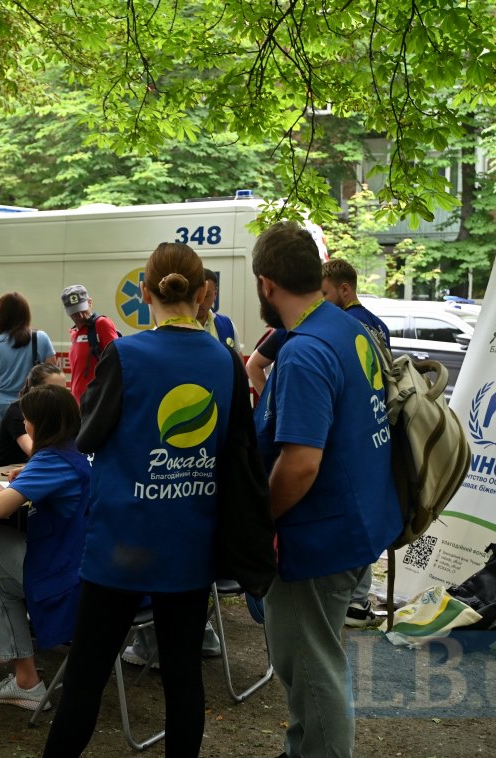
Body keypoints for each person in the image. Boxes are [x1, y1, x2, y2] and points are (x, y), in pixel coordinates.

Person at [43, 242, 252, 757]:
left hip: (121, 545)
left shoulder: (125, 354)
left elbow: (86, 435)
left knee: (87, 677)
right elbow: (237, 453)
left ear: (144, 292)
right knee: (183, 678)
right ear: (205, 294)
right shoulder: (226, 361)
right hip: (190, 544)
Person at [253, 221, 401, 758]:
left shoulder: (304, 352)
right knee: (321, 660)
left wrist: (259, 520)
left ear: (267, 286)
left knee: (312, 670)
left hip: (317, 543)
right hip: (357, 525)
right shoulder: (348, 329)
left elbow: (300, 466)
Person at [0, 383, 89, 711]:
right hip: (96, 568)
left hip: (67, 578)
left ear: (39, 423)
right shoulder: (82, 450)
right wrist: (28, 474)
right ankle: (15, 669)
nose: (23, 425)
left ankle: (18, 671)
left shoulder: (50, 460)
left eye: (26, 419)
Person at [321, 257, 391, 628]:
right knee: (366, 514)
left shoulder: (343, 325)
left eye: (326, 292)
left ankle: (350, 601)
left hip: (351, 429)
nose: (322, 299)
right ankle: (358, 600)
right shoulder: (377, 325)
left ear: (344, 289)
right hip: (376, 425)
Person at [0, 292, 55, 446]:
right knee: (28, 456)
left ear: (0, 315)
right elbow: (51, 378)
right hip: (29, 409)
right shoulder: (41, 338)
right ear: (26, 314)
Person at [0, 362, 67, 469]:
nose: (61, 397)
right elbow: (33, 450)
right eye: (53, 391)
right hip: (1, 473)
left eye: (64, 391)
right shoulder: (18, 411)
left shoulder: (58, 411)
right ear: (34, 390)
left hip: (30, 468)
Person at [61, 284, 118, 406]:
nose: (80, 316)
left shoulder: (101, 324)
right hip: (80, 405)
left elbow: (118, 360)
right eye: (74, 312)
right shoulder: (74, 333)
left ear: (90, 302)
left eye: (82, 309)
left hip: (98, 403)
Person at [197, 269, 240, 352]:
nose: (201, 301)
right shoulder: (178, 326)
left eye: (206, 295)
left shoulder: (228, 325)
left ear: (215, 294)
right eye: (198, 295)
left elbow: (238, 363)